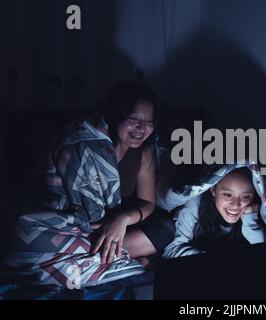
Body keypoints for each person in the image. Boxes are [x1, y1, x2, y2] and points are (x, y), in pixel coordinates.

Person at [1, 81, 174, 288]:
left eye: (149, 121)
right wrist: (105, 228)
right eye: (133, 119)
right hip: (71, 227)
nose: (141, 129)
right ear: (116, 115)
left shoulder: (144, 151)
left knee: (165, 228)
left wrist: (122, 220)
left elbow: (148, 203)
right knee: (21, 238)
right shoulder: (81, 142)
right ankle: (112, 256)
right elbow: (80, 216)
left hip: (116, 228)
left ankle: (102, 255)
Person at [162, 164, 266, 258]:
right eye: (227, 195)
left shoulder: (252, 213)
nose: (236, 204)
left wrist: (250, 225)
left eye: (245, 196)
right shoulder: (195, 205)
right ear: (213, 191)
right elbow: (171, 251)